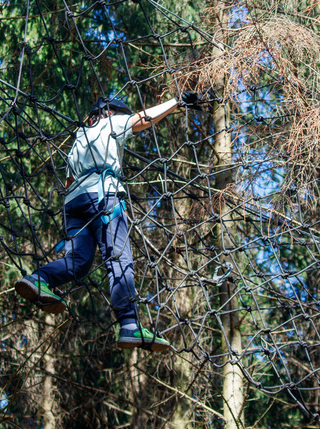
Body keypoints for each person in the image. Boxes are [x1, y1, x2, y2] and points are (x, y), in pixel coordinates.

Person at [14, 92, 203, 351]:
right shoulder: (110, 122)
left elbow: (68, 182)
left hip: (73, 204)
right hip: (103, 196)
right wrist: (177, 102)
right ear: (109, 112)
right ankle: (129, 325)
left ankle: (38, 278)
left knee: (78, 262)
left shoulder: (79, 139)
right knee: (119, 258)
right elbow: (142, 119)